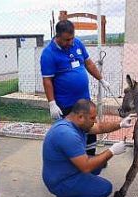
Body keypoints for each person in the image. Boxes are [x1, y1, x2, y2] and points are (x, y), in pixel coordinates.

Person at [43, 99, 135, 197]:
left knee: (101, 163)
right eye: (92, 118)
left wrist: (120, 124)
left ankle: (81, 185)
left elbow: (100, 127)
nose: (95, 121)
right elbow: (86, 166)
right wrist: (112, 151)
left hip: (64, 170)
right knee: (105, 188)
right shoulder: (67, 135)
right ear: (81, 117)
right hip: (60, 181)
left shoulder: (74, 123)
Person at [40, 19, 111, 156]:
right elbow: (47, 80)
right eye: (67, 40)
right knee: (71, 135)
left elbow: (89, 64)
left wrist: (101, 80)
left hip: (84, 101)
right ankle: (72, 164)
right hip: (66, 104)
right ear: (57, 36)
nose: (71, 42)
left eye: (72, 38)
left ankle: (90, 159)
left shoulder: (77, 43)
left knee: (90, 129)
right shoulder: (48, 54)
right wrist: (52, 103)